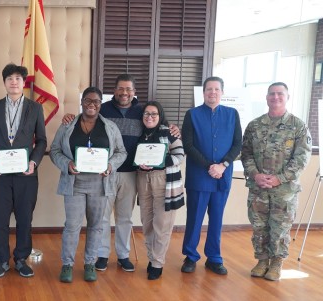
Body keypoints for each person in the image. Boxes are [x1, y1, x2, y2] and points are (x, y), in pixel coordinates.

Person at [61, 74, 179, 272]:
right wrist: (69, 116)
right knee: (103, 218)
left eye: (129, 89)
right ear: (114, 91)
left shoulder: (142, 111)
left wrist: (173, 128)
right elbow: (85, 119)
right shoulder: (103, 108)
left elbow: (157, 124)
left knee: (125, 217)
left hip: (131, 173)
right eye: (121, 89)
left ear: (134, 92)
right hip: (104, 173)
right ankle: (102, 254)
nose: (125, 93)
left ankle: (123, 255)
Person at [50, 87, 127, 283]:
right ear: (82, 102)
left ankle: (90, 263)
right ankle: (67, 265)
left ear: (101, 104)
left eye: (96, 102)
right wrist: (67, 164)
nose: (92, 105)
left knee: (96, 225)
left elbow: (121, 152)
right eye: (88, 101)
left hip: (100, 184)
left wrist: (110, 166)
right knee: (72, 225)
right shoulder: (68, 125)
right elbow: (55, 150)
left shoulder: (110, 127)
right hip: (74, 183)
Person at [241, 82, 311, 281]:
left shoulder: (298, 126)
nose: (276, 97)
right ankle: (262, 260)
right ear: (266, 97)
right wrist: (256, 175)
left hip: (284, 190)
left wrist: (279, 179)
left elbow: (301, 158)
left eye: (280, 94)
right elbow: (246, 154)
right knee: (259, 226)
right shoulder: (254, 126)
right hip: (258, 188)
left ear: (287, 97)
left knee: (280, 228)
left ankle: (277, 263)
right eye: (272, 94)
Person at [0, 63, 47, 278]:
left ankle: (21, 259)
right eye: (9, 78)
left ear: (23, 82)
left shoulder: (35, 108)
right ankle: (1, 260)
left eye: (18, 78)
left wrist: (34, 162)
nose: (13, 82)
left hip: (26, 175)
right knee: (0, 219)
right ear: (4, 82)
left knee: (24, 218)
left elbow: (41, 141)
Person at [181, 76, 242, 275]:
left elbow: (237, 144)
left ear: (222, 92)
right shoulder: (192, 115)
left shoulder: (232, 114)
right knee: (195, 218)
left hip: (222, 176)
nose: (212, 92)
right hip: (199, 176)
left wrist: (222, 165)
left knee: (217, 218)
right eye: (209, 89)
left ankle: (214, 258)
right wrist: (210, 166)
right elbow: (188, 145)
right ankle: (190, 256)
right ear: (203, 92)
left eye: (216, 89)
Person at [135, 101, 185, 280]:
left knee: (162, 224)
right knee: (147, 222)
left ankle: (158, 262)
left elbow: (179, 155)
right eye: (146, 114)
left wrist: (161, 162)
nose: (149, 117)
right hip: (143, 179)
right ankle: (151, 257)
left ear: (160, 115)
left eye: (154, 114)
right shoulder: (139, 133)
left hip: (164, 180)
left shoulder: (169, 132)